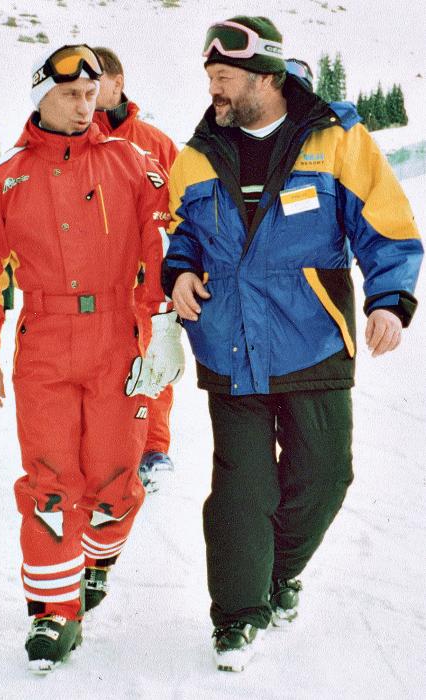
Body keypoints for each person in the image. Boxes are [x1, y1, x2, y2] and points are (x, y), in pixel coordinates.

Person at [161, 16, 423, 672]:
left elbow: (385, 225)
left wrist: (391, 299)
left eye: (225, 77)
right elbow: (182, 234)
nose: (213, 89)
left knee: (324, 474)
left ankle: (276, 573)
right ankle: (237, 615)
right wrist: (180, 271)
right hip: (228, 343)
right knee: (242, 486)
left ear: (268, 78)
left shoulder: (335, 141)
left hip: (314, 337)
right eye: (210, 76)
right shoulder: (195, 155)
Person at [0, 44, 183, 673]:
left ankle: (97, 560)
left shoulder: (133, 163)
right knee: (49, 478)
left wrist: (162, 325)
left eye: (89, 94)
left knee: (115, 481)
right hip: (45, 337)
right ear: (40, 97)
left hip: (119, 335)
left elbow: (165, 243)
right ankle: (53, 612)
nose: (84, 107)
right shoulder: (4, 175)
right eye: (70, 95)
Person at [93, 46, 179, 491]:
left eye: (96, 80)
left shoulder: (155, 142)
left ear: (118, 82)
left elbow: (183, 210)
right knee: (99, 370)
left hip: (147, 283)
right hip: (93, 282)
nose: (87, 90)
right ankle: (107, 451)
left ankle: (153, 448)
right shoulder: (70, 138)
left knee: (152, 361)